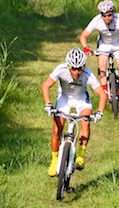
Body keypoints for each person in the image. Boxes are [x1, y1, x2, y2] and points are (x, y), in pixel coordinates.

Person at [41, 48, 107, 177]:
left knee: (86, 123)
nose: (76, 72)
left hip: (81, 99)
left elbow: (102, 94)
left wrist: (99, 112)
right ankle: (54, 161)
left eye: (80, 69)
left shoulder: (87, 73)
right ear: (68, 66)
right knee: (57, 130)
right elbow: (45, 85)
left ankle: (80, 156)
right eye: (73, 68)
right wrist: (48, 104)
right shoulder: (61, 70)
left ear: (84, 67)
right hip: (64, 98)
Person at [79, 0, 119, 105]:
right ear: (101, 15)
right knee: (102, 66)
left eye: (109, 15)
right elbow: (83, 36)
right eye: (104, 15)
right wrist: (86, 47)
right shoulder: (96, 21)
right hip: (104, 44)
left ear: (113, 13)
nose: (107, 18)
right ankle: (105, 91)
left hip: (118, 43)